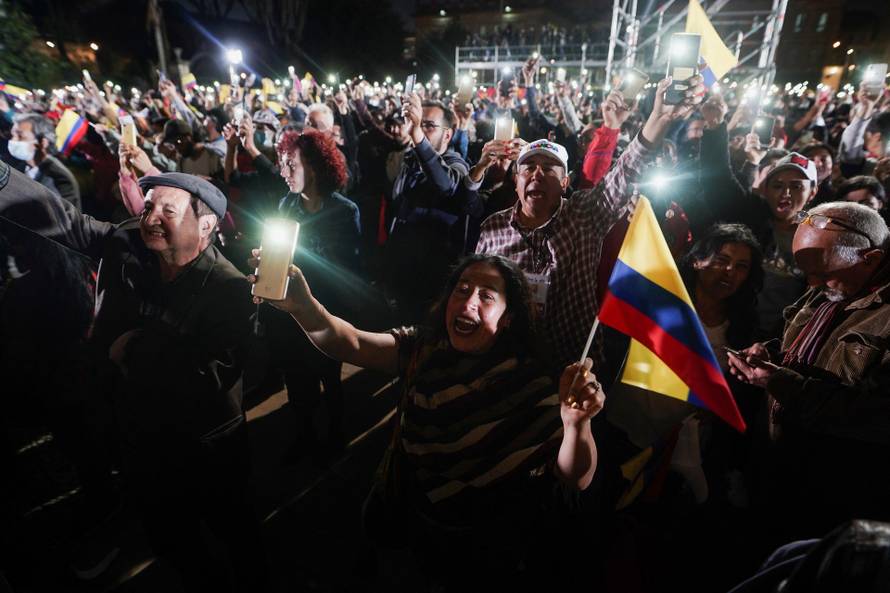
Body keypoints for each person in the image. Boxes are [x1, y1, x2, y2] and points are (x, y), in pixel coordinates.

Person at [248, 252, 602, 588]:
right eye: (461, 290)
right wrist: (302, 306)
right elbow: (351, 343)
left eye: (487, 296)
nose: (468, 303)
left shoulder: (533, 384)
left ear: (509, 317)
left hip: (487, 548)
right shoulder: (423, 349)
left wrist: (576, 425)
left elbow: (577, 478)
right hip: (416, 524)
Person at [0, 165, 266, 592]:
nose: (150, 217)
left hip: (206, 446)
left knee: (234, 528)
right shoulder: (128, 242)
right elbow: (66, 221)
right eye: (149, 206)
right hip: (141, 442)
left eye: (169, 210)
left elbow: (213, 371)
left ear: (207, 224)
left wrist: (135, 348)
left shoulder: (230, 289)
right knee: (170, 539)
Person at [475, 76, 705, 368]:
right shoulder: (492, 229)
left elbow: (627, 169)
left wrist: (659, 118)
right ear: (516, 180)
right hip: (505, 362)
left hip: (571, 367)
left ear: (565, 183)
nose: (537, 174)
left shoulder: (585, 215)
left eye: (549, 168)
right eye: (529, 167)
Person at [727, 201, 890, 542]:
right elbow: (805, 342)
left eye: (822, 273)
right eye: (806, 273)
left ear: (871, 260)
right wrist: (768, 354)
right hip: (775, 470)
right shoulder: (829, 281)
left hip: (831, 496)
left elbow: (879, 417)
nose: (812, 284)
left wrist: (781, 382)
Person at [270, 128, 361, 461]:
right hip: (292, 309)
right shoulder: (285, 205)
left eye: (290, 164)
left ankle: (336, 434)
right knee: (297, 378)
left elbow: (348, 268)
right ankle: (304, 433)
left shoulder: (344, 211)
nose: (283, 173)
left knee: (329, 376)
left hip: (328, 308)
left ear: (316, 166)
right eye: (282, 164)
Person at [386, 95, 483, 322]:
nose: (419, 128)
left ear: (447, 134)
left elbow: (445, 184)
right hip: (402, 278)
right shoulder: (409, 161)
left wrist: (418, 136)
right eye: (418, 123)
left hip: (433, 288)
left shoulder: (456, 164)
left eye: (428, 125)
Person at [4, 113, 80, 209]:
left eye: (20, 136)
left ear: (42, 143)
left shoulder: (60, 178)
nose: (13, 140)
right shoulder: (17, 168)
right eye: (13, 135)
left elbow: (69, 219)